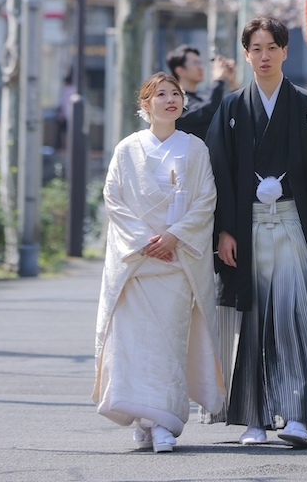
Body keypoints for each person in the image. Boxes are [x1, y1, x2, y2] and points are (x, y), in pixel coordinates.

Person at [206, 16, 307, 448]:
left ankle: (295, 415)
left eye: (272, 47)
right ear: (246, 53)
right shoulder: (233, 108)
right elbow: (220, 172)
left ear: (285, 51)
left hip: (294, 223)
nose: (264, 55)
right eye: (256, 48)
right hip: (249, 226)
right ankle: (254, 418)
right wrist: (225, 231)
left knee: (295, 318)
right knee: (252, 322)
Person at [93, 72, 225, 452]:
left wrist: (174, 237)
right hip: (137, 265)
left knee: (169, 344)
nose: (170, 100)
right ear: (145, 105)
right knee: (136, 344)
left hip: (177, 262)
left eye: (176, 94)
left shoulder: (195, 148)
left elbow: (205, 200)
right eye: (161, 94)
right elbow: (113, 199)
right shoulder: (126, 150)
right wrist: (144, 241)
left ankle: (160, 419)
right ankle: (150, 419)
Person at [167, 43, 239, 140]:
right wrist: (218, 80)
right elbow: (209, 110)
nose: (201, 67)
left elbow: (232, 115)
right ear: (180, 71)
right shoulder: (177, 102)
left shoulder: (202, 98)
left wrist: (233, 84)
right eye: (196, 63)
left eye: (201, 63)